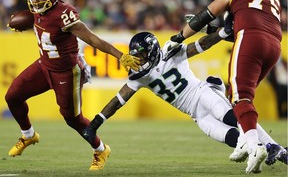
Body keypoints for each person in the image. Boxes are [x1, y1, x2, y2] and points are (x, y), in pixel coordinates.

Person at [82, 31, 286, 171]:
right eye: (138, 56)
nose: (140, 60)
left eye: (143, 55)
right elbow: (119, 100)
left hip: (203, 93)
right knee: (234, 139)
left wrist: (223, 33)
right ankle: (273, 150)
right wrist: (95, 123)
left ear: (152, 50)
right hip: (197, 115)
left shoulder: (172, 54)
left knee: (236, 119)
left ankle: (276, 148)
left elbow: (201, 44)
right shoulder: (140, 76)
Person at [5, 0, 140, 171]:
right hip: (44, 66)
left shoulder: (64, 13)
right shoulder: (38, 11)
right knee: (13, 96)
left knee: (72, 118)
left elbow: (94, 40)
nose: (35, 1)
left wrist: (120, 56)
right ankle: (28, 135)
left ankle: (101, 149)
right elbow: (36, 20)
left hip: (67, 72)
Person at [167, 0, 285, 174]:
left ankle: (251, 145)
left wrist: (180, 36)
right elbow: (237, 28)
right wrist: (215, 31)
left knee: (240, 98)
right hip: (274, 46)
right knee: (240, 99)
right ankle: (272, 148)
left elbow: (209, 12)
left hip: (251, 37)